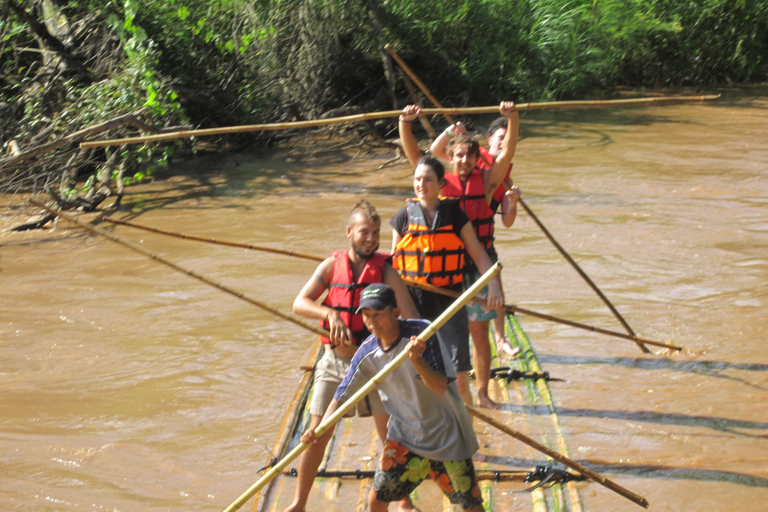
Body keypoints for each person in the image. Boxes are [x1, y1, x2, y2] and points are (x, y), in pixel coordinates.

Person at [283, 200, 418, 512]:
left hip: (375, 363)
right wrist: (329, 313)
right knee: (317, 433)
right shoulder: (331, 267)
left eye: (375, 233)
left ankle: (404, 501)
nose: (371, 238)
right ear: (349, 233)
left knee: (390, 436)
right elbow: (299, 303)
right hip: (335, 362)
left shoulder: (385, 272)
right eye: (364, 232)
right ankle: (299, 503)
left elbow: (410, 316)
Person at [302, 283, 485, 512]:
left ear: (396, 313)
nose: (371, 322)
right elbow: (343, 393)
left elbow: (439, 387)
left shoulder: (423, 334)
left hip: (447, 436)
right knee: (376, 501)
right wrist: (319, 429)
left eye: (378, 314)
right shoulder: (367, 351)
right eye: (366, 316)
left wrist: (417, 360)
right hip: (405, 439)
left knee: (471, 506)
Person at [392, 105, 504, 408]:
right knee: (419, 363)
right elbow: (393, 266)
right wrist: (405, 122)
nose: (421, 184)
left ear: (439, 184)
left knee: (470, 344)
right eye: (419, 180)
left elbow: (480, 254)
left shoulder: (456, 211)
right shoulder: (404, 216)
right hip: (419, 294)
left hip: (455, 285)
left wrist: (492, 284)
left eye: (428, 180)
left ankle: (477, 399)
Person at [431, 117, 522, 359]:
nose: (503, 143)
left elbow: (507, 220)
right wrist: (451, 132)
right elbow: (435, 152)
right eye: (499, 138)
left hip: (482, 244)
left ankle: (500, 338)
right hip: (454, 251)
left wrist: (512, 203)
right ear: (490, 140)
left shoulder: (499, 175)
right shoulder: (469, 153)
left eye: (506, 138)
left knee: (495, 286)